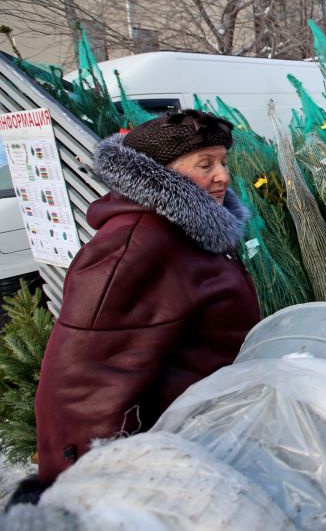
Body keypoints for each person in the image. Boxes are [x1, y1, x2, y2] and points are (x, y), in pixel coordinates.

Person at [33, 110, 260, 485]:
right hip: (165, 463)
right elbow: (82, 384)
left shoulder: (191, 232)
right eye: (206, 164)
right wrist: (89, 485)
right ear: (162, 173)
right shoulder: (136, 244)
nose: (222, 176)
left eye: (223, 161)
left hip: (209, 441)